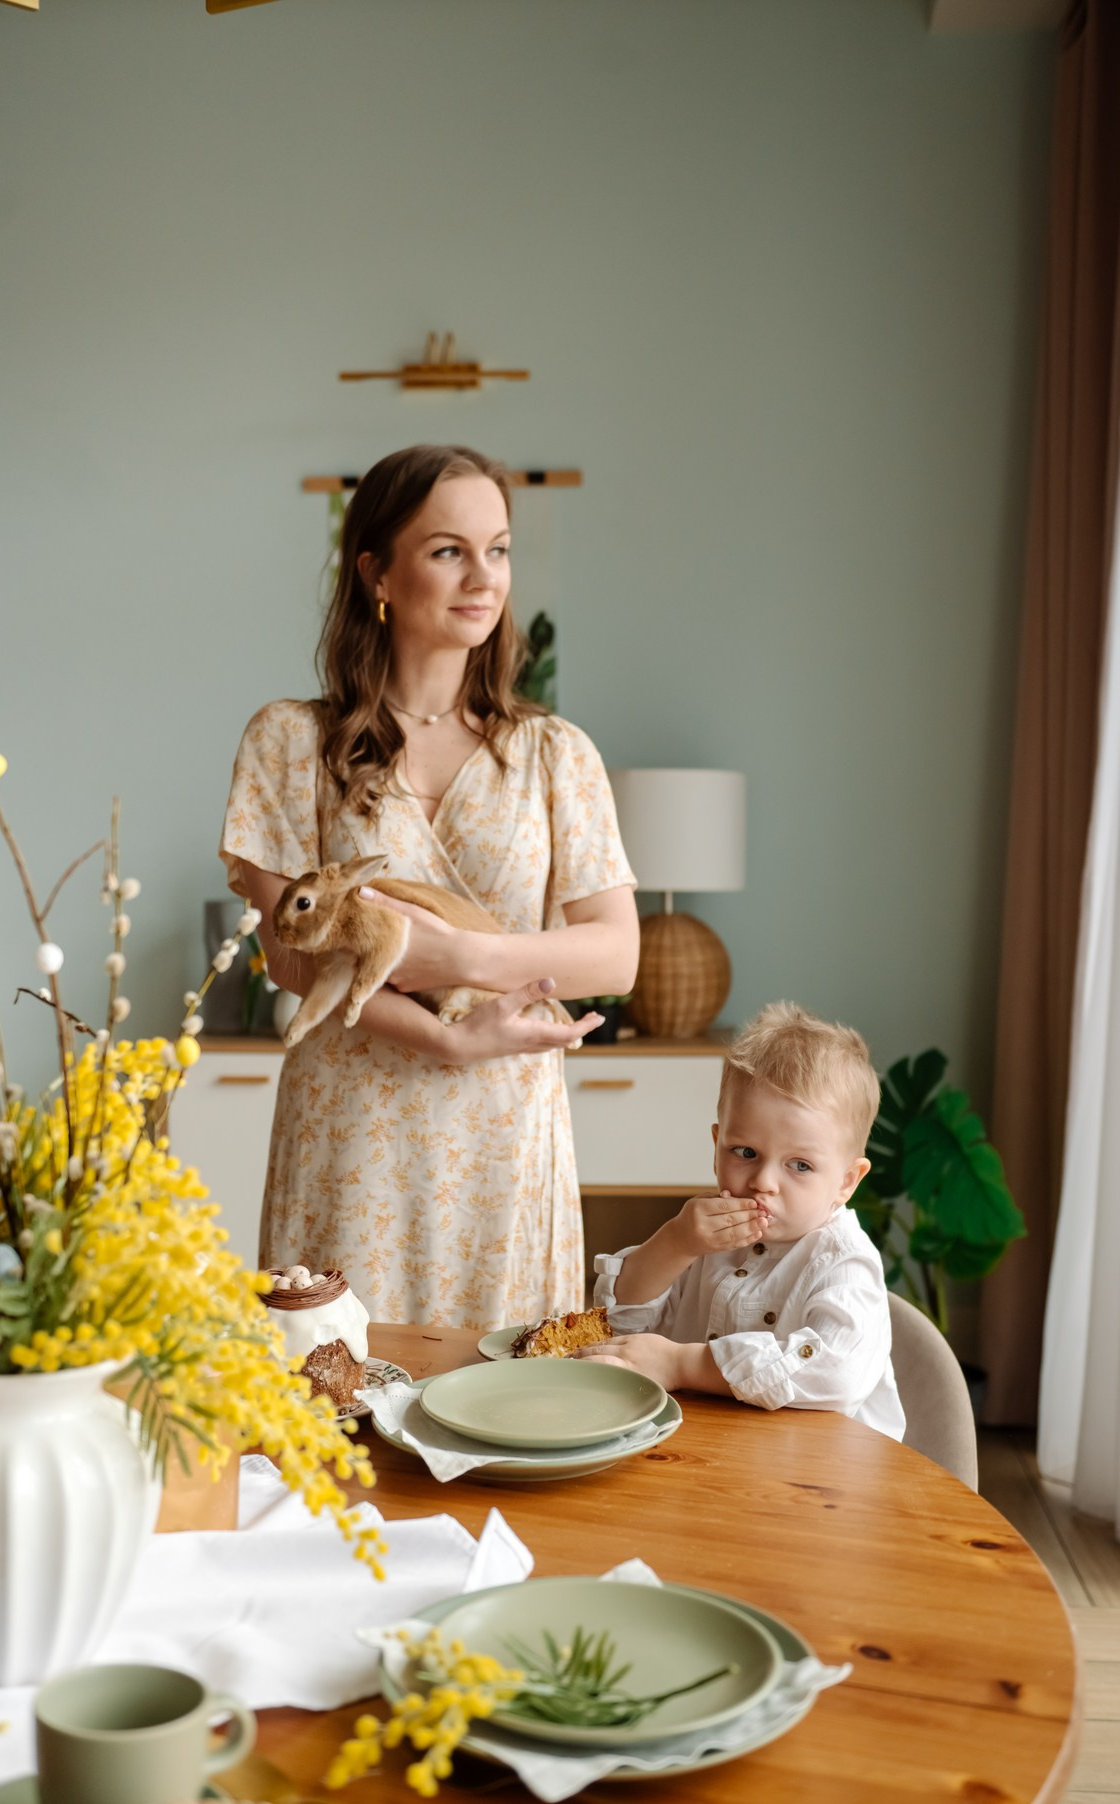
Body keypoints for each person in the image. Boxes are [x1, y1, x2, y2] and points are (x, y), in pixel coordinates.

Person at [220, 444, 638, 1329]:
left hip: (506, 1138)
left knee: (508, 1422)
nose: (483, 575)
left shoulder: (556, 754)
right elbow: (289, 959)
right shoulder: (291, 744)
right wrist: (448, 1042)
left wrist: (468, 955)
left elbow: (617, 951)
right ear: (376, 568)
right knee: (335, 1419)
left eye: (500, 548)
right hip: (353, 1135)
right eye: (449, 549)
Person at [581, 1001, 905, 1439]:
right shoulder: (699, 1233)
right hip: (704, 1454)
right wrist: (675, 1243)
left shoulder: (843, 1263)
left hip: (816, 1480)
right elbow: (618, 1323)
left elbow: (836, 1374)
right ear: (718, 1144)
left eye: (800, 1166)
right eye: (745, 1152)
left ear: (847, 1181)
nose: (763, 1182)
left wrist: (682, 1364)